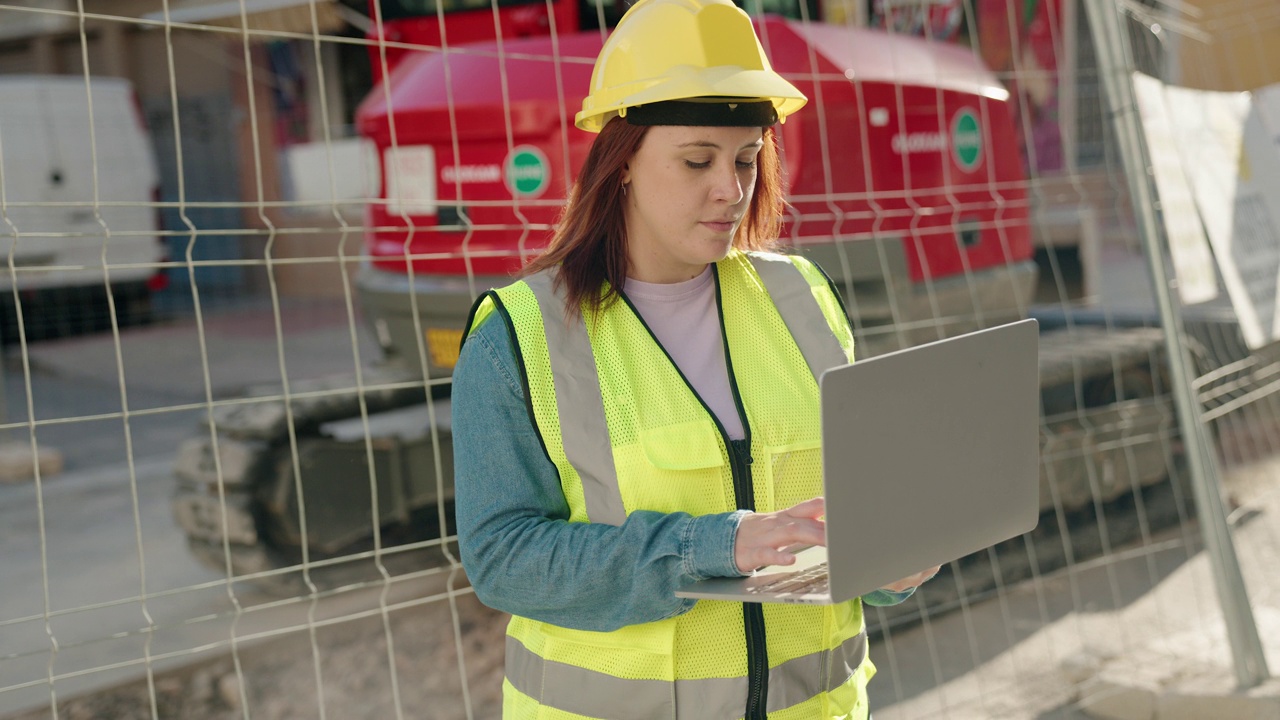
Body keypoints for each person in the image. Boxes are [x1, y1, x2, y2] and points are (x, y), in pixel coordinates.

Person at [452, 0, 939, 717]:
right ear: (622, 163)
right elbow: (503, 559)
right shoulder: (519, 335)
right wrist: (714, 546)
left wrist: (893, 562)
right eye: (696, 160)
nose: (730, 188)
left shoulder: (799, 298)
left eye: (746, 159)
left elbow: (848, 506)